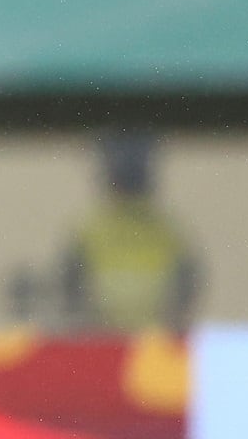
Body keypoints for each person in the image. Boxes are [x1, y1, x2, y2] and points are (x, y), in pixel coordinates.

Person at [60, 131, 199, 332]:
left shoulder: (171, 236)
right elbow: (73, 303)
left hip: (150, 350)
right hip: (109, 348)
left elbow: (184, 302)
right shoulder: (84, 235)